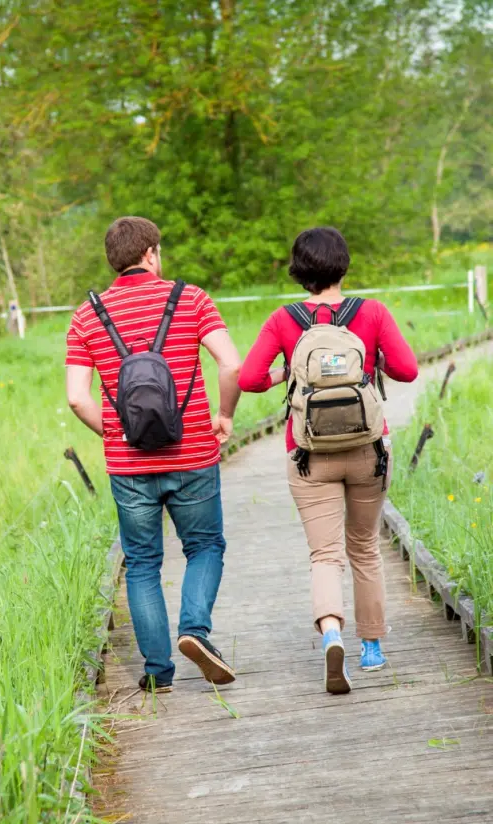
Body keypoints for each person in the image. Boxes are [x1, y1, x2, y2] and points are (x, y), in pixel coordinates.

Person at [238, 227, 418, 694]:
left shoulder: (284, 319)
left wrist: (287, 373)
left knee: (325, 554)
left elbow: (250, 377)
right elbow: (407, 369)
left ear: (299, 271)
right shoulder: (372, 312)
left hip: (308, 456)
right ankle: (373, 647)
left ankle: (332, 631)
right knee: (364, 547)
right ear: (343, 265)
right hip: (368, 450)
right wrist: (368, 361)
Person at [66, 216, 242, 693]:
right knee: (205, 546)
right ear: (151, 254)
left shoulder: (87, 314)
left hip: (129, 466)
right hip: (193, 456)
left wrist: (119, 432)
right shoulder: (191, 298)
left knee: (142, 562)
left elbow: (77, 398)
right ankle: (194, 631)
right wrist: (224, 415)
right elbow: (231, 363)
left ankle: (157, 672)